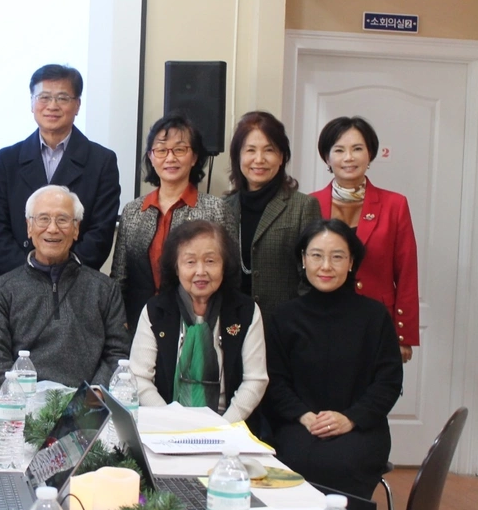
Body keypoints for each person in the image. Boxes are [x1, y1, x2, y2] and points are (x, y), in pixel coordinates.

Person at [265, 219, 403, 503]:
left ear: (352, 262)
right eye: (316, 255)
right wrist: (304, 416)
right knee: (292, 461)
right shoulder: (283, 317)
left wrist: (350, 418)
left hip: (360, 428)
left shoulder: (374, 317)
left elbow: (388, 382)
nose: (326, 266)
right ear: (303, 260)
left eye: (337, 257)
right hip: (300, 424)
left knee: (342, 463)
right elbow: (274, 381)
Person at [0, 185, 131, 390]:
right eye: (43, 219)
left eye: (62, 220)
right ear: (29, 227)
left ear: (76, 229)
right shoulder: (0, 291)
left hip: (87, 408)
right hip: (24, 404)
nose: (52, 229)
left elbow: (117, 352)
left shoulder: (104, 289)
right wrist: (24, 398)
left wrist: (89, 401)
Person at [0, 64, 120, 275]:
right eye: (44, 97)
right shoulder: (7, 159)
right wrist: (27, 274)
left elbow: (101, 232)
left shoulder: (102, 161)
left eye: (63, 98)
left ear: (78, 105)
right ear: (32, 103)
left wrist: (65, 274)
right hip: (16, 282)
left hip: (76, 282)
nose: (52, 106)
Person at [128, 220, 267, 425]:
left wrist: (222, 428)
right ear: (176, 267)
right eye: (190, 262)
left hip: (228, 425)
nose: (200, 271)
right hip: (166, 426)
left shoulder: (245, 311)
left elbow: (255, 380)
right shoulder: (156, 310)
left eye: (210, 261)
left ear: (224, 264)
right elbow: (139, 378)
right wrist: (172, 423)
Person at [111, 113, 235, 333]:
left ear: (194, 157)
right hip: (140, 323)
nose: (170, 158)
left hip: (200, 324)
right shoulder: (133, 211)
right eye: (161, 150)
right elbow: (120, 277)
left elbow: (231, 274)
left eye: (180, 149)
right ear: (151, 156)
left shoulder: (216, 209)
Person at [310, 116, 419, 363]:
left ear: (370, 154)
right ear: (327, 157)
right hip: (322, 319)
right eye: (339, 150)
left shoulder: (395, 205)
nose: (349, 157)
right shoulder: (310, 203)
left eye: (357, 149)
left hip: (377, 322)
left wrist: (403, 335)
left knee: (372, 395)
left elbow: (406, 272)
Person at [222, 111, 321, 318]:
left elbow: (311, 276)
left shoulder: (303, 206)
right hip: (232, 324)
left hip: (284, 327)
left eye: (269, 150)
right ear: (238, 156)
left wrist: (301, 323)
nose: (259, 159)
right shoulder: (223, 208)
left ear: (282, 157)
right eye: (250, 150)